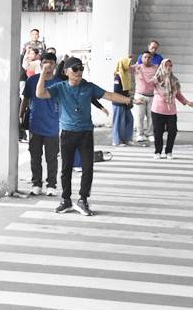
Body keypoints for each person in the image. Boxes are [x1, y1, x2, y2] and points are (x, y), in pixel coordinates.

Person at [36, 57, 131, 216]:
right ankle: (65, 200)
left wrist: (129, 100)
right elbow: (40, 93)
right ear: (66, 72)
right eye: (74, 69)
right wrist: (42, 74)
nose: (78, 71)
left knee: (88, 168)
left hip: (85, 133)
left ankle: (83, 200)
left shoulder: (89, 87)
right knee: (66, 168)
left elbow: (109, 95)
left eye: (80, 68)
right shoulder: (60, 87)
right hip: (67, 133)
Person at [21, 52, 60, 196]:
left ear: (55, 65)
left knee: (51, 158)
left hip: (52, 126)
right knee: (35, 156)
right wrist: (20, 116)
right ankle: (36, 183)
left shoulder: (59, 83)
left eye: (50, 63)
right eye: (44, 62)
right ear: (40, 63)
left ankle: (51, 185)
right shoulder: (32, 80)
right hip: (34, 124)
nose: (47, 65)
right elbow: (25, 99)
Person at [150, 58, 193, 159]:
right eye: (166, 65)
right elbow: (146, 86)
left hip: (171, 111)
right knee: (158, 132)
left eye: (170, 66)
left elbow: (178, 94)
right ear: (162, 66)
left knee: (173, 131)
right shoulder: (156, 79)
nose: (168, 67)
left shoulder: (174, 80)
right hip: (157, 109)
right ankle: (158, 152)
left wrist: (186, 102)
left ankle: (169, 151)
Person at [129, 51, 157, 143]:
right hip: (140, 95)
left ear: (152, 58)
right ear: (141, 58)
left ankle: (150, 134)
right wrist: (129, 60)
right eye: (145, 57)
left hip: (152, 95)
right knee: (139, 116)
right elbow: (125, 69)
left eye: (149, 57)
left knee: (151, 117)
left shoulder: (155, 68)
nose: (147, 59)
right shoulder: (137, 67)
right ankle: (139, 134)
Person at [112, 56, 134, 147]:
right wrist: (127, 92)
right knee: (118, 122)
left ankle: (126, 139)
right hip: (118, 102)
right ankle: (116, 141)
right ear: (124, 65)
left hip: (125, 102)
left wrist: (129, 92)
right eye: (128, 64)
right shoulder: (118, 76)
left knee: (129, 120)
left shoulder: (126, 75)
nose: (130, 66)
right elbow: (116, 90)